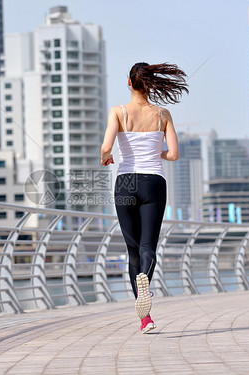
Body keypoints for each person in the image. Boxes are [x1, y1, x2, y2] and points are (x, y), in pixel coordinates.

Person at [100, 62, 188, 333]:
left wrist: (107, 157)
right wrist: (155, 154)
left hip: (126, 182)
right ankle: (145, 286)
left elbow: (105, 147)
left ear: (129, 82)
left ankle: (144, 317)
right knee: (148, 247)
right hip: (153, 183)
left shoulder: (119, 112)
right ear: (150, 84)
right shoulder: (163, 114)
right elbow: (173, 154)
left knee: (132, 251)